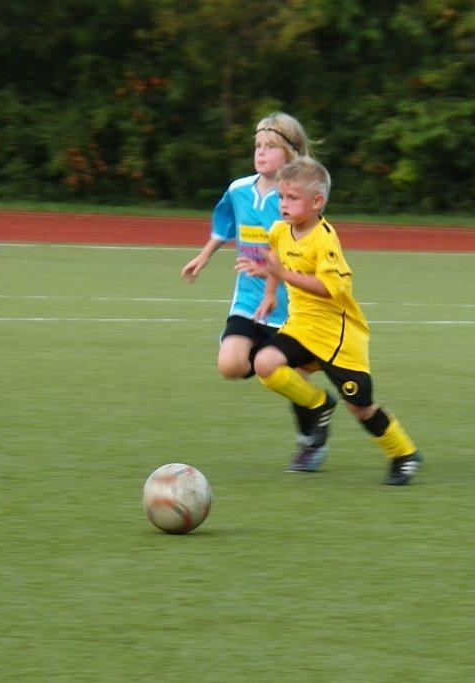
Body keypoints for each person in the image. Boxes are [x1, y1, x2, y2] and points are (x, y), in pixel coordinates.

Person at [235, 156, 423, 484]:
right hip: (301, 326)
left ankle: (404, 454)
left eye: (293, 198)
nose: (283, 204)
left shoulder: (324, 238)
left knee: (360, 407)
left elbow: (328, 288)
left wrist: (284, 275)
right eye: (281, 196)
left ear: (317, 201)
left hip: (337, 337)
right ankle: (319, 405)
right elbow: (277, 260)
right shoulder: (279, 231)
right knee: (264, 362)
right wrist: (270, 292)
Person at [181, 112, 325, 453]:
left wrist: (273, 271)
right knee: (231, 365)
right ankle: (267, 360)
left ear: (290, 154)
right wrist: (204, 256)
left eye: (271, 146)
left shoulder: (297, 200)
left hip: (290, 306)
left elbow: (308, 250)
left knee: (292, 379)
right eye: (258, 145)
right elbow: (225, 224)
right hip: (248, 301)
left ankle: (311, 437)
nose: (261, 152)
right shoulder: (239, 190)